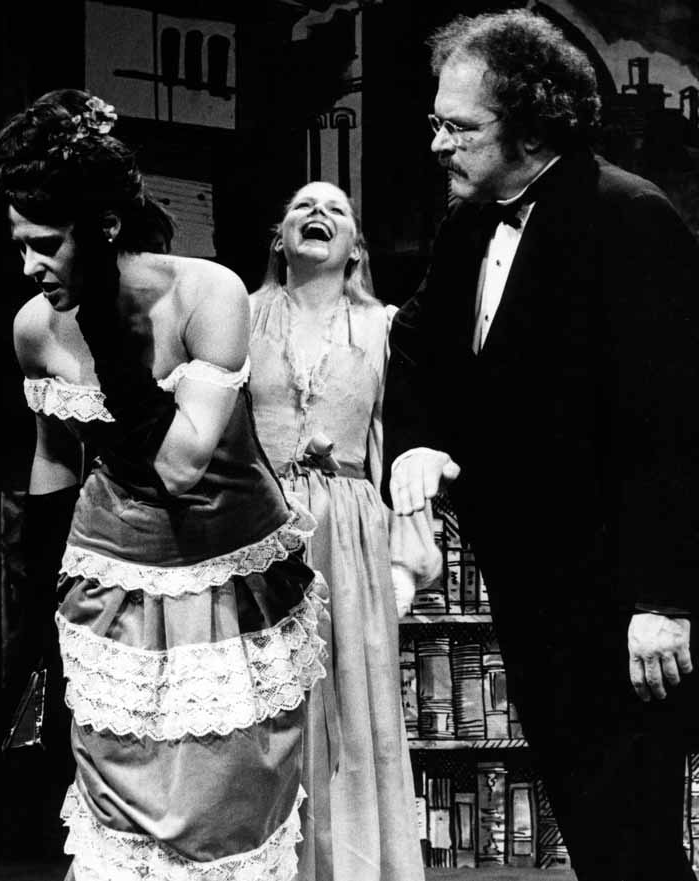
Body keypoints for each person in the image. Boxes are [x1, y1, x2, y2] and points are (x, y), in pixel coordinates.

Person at [383, 10, 699, 881]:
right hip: (531, 587)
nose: (439, 145)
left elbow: (672, 423)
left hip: (622, 599)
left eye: (460, 128)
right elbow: (416, 345)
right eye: (436, 123)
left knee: (635, 836)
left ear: (530, 125)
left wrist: (663, 600)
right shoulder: (468, 224)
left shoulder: (628, 216)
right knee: (594, 826)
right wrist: (415, 444)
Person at [0, 89, 327, 881]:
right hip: (111, 582)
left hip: (226, 578)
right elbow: (53, 458)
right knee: (117, 808)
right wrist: (33, 604)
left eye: (46, 244)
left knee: (225, 808)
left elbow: (181, 463)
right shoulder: (34, 327)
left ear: (104, 226)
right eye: (20, 245)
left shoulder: (207, 293)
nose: (30, 267)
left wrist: (106, 330)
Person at [249, 181, 431, 881]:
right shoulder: (242, 315)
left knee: (353, 708)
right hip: (258, 526)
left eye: (336, 209)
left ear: (356, 247)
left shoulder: (386, 326)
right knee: (264, 705)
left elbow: (403, 440)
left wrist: (406, 559)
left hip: (347, 533)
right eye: (302, 206)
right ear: (279, 237)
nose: (318, 214)